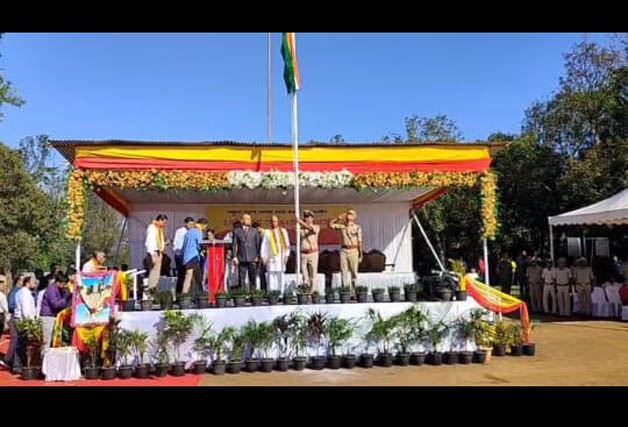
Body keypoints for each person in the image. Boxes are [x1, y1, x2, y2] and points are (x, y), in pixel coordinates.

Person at [330, 209, 363, 296]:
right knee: (343, 272)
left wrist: (361, 254)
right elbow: (330, 225)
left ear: (354, 217)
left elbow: (360, 241)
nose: (349, 215)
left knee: (354, 272)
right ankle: (345, 292)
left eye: (351, 214)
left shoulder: (357, 227)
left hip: (353, 250)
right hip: (344, 250)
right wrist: (337, 219)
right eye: (348, 214)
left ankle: (354, 292)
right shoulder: (342, 226)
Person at [10, 276, 38, 373]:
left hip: (22, 320)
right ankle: (18, 366)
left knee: (21, 343)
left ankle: (18, 365)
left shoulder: (23, 292)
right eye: (33, 282)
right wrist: (30, 324)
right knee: (21, 344)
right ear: (27, 283)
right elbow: (26, 310)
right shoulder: (24, 294)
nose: (35, 284)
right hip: (24, 321)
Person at [40, 273, 72, 351]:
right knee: (47, 340)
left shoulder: (62, 290)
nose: (64, 286)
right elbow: (55, 304)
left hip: (56, 316)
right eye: (63, 284)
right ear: (57, 282)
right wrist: (66, 298)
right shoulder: (51, 289)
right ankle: (44, 357)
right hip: (48, 316)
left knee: (54, 340)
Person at [260, 215, 291, 295]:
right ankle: (271, 294)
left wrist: (287, 255)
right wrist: (263, 256)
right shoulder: (267, 232)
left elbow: (287, 244)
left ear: (278, 222)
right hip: (271, 258)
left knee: (281, 276)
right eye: (272, 221)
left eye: (275, 221)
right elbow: (264, 245)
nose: (274, 223)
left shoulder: (283, 231)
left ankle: (281, 294)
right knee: (271, 277)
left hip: (281, 258)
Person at [232, 213, 261, 291]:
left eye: (250, 219)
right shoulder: (237, 231)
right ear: (242, 220)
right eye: (247, 219)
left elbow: (258, 244)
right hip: (241, 258)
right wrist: (234, 256)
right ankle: (242, 293)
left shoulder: (254, 231)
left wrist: (258, 255)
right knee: (241, 278)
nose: (249, 220)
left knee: (252, 278)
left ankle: (253, 293)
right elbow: (234, 244)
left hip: (252, 258)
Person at [182, 218, 208, 296]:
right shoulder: (198, 231)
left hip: (187, 256)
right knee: (189, 276)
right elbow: (200, 244)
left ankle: (201, 293)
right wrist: (204, 250)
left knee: (198, 277)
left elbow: (184, 245)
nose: (205, 228)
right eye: (205, 226)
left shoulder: (189, 232)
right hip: (193, 256)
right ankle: (184, 295)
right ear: (203, 225)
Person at [297, 210, 321, 293]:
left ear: (312, 218)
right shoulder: (300, 228)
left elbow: (311, 229)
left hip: (313, 253)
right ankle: (305, 291)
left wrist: (300, 222)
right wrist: (299, 224)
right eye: (305, 217)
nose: (306, 219)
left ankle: (312, 292)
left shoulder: (316, 227)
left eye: (308, 217)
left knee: (313, 274)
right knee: (304, 275)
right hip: (304, 254)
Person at [145, 214, 169, 292]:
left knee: (157, 272)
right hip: (154, 252)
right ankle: (151, 288)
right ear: (160, 220)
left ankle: (154, 287)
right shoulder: (152, 228)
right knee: (153, 271)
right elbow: (149, 242)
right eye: (164, 222)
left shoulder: (159, 229)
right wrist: (152, 254)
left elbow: (158, 242)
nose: (164, 225)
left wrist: (164, 244)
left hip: (158, 252)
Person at [173, 217, 195, 294]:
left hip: (188, 256)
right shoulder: (180, 231)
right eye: (190, 224)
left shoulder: (192, 232)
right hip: (180, 255)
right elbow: (176, 244)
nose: (191, 226)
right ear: (185, 224)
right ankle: (179, 293)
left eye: (192, 224)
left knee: (188, 275)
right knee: (181, 274)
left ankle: (187, 292)